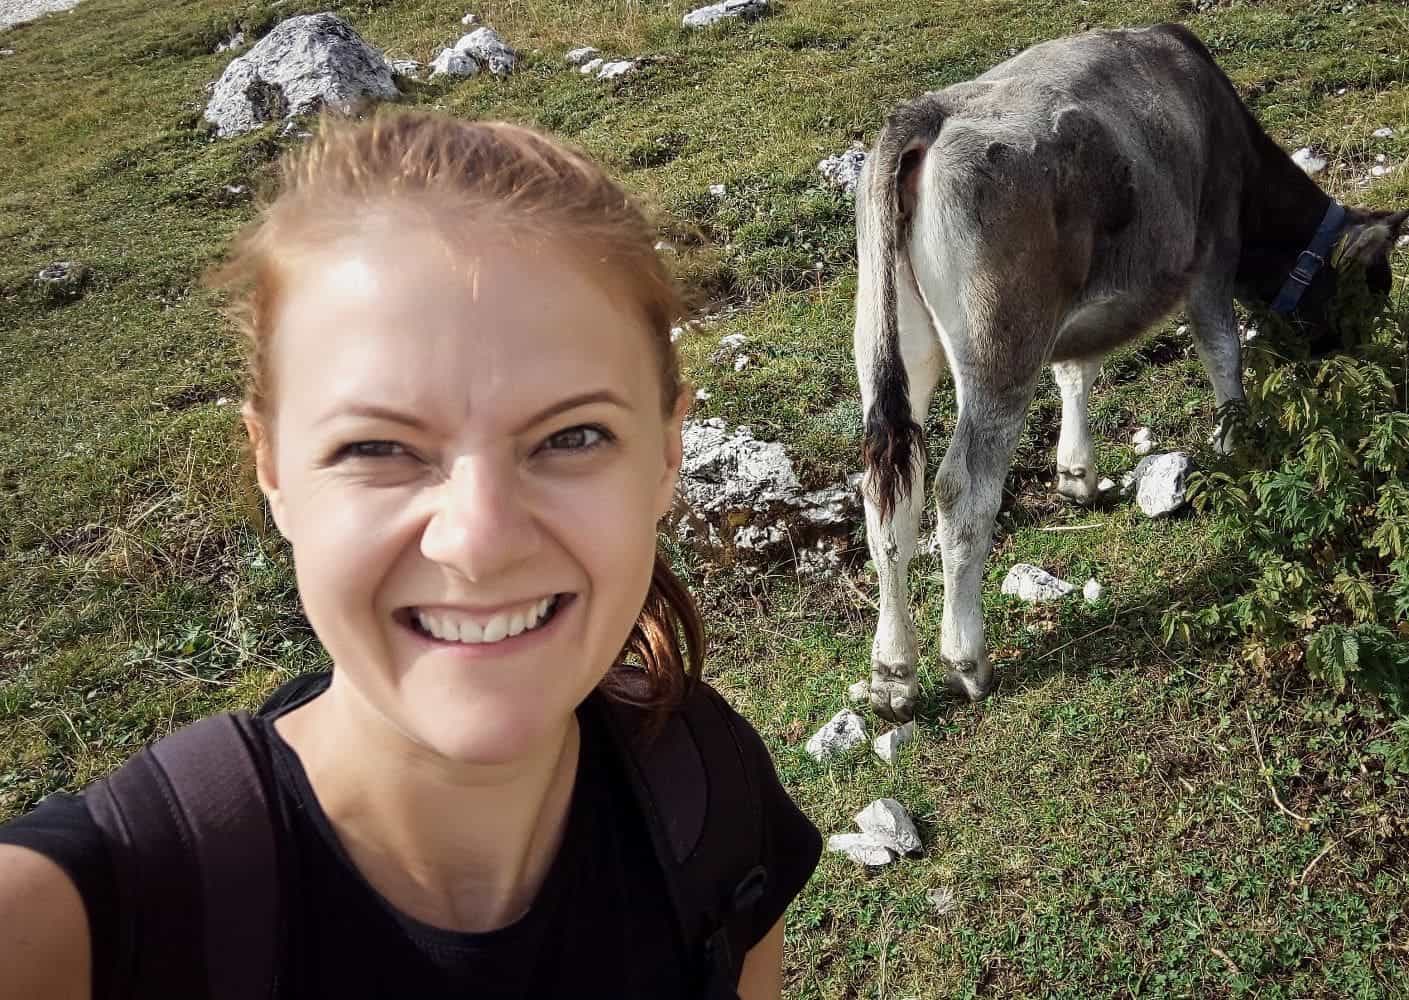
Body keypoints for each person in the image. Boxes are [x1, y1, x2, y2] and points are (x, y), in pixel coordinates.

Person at [0, 109, 821, 998]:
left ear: (667, 455)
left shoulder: (708, 790)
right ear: (271, 469)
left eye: (573, 435)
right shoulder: (88, 922)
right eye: (378, 448)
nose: (478, 541)